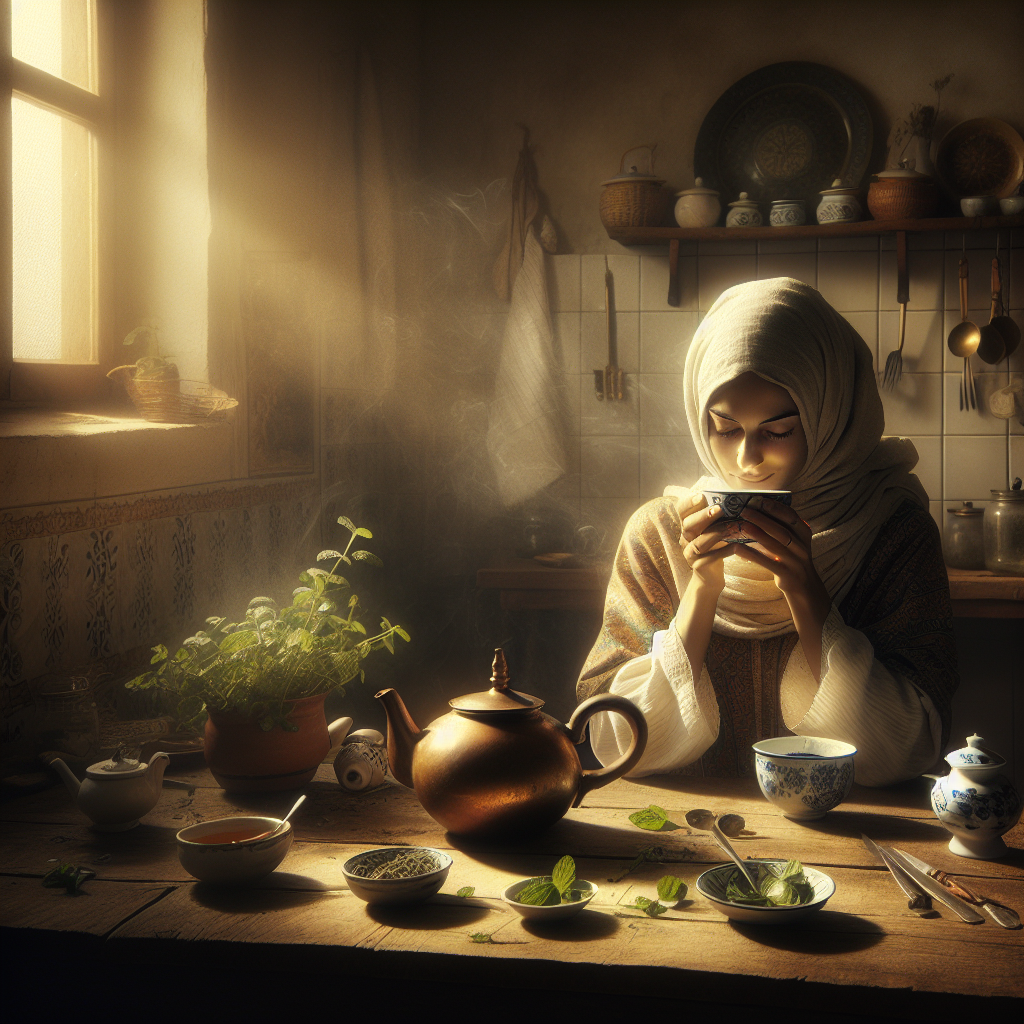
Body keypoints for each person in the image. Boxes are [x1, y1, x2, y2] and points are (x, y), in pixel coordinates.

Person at [577, 277, 957, 785]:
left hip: (849, 833)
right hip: (691, 827)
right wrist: (702, 590)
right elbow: (611, 738)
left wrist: (806, 592)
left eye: (778, 431)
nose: (746, 460)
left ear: (830, 416)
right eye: (724, 427)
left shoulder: (891, 532)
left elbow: (911, 748)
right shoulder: (661, 534)